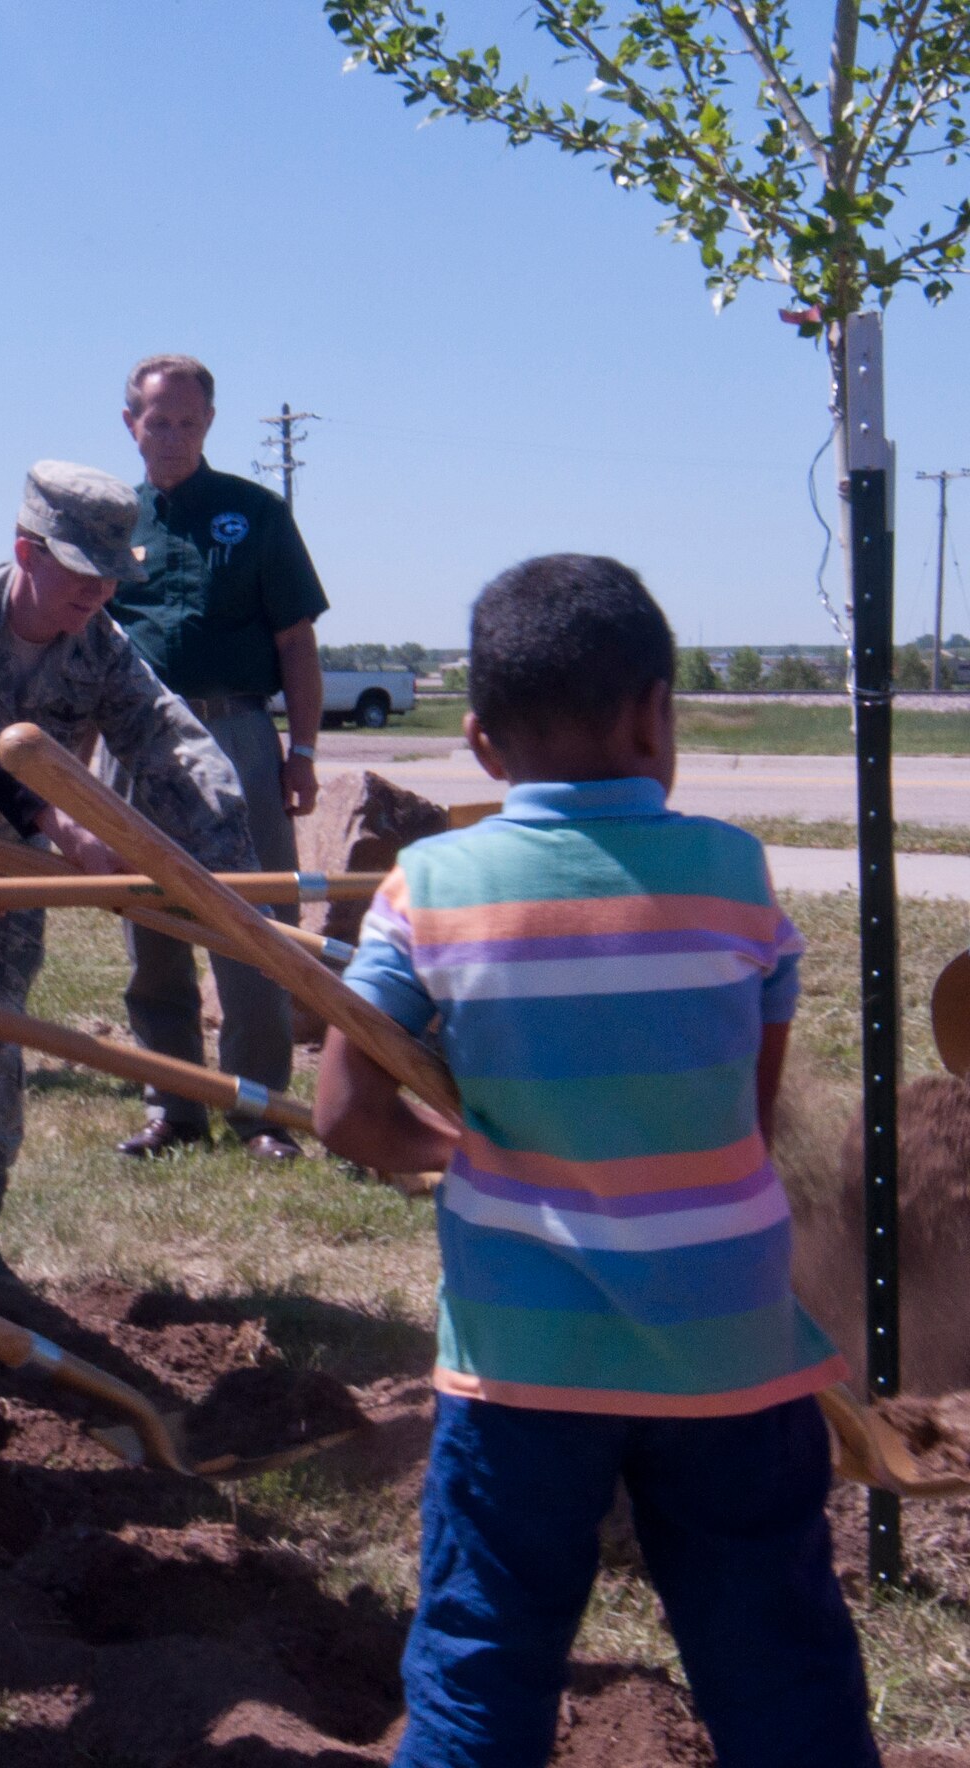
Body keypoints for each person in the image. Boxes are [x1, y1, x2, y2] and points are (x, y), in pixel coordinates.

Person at [314, 555, 875, 1768]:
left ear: (476, 743)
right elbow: (748, 1108)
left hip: (522, 1367)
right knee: (778, 1655)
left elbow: (341, 1109)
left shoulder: (429, 886)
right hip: (729, 1353)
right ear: (650, 713)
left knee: (481, 1656)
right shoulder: (733, 875)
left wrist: (454, 1150)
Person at [0, 462, 260, 1287]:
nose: (97, 595)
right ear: (28, 550)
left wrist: (228, 863)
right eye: (83, 575)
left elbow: (170, 740)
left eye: (112, 577)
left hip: (0, 886)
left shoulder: (101, 651)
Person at [104, 353, 329, 1162]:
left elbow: (297, 643)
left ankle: (261, 1111)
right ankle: (175, 1108)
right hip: (132, 741)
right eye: (157, 421)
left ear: (208, 425)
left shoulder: (254, 513)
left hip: (234, 733)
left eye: (188, 422)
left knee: (254, 923)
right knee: (150, 927)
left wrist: (300, 751)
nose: (171, 436)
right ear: (130, 424)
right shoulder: (107, 520)